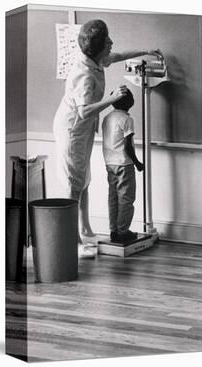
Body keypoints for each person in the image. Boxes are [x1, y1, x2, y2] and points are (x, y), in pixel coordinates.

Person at [52, 19, 160, 258]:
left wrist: (147, 51)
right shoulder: (84, 74)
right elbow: (83, 110)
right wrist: (111, 99)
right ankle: (73, 242)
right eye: (107, 40)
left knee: (84, 181)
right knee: (73, 185)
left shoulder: (97, 60)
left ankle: (85, 229)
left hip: (83, 129)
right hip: (72, 129)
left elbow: (119, 55)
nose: (112, 43)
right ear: (98, 46)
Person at [102, 87, 144, 244]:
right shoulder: (126, 119)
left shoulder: (107, 118)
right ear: (129, 102)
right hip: (124, 164)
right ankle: (123, 231)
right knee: (126, 199)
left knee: (113, 197)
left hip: (110, 163)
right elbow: (127, 146)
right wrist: (138, 163)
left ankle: (114, 230)